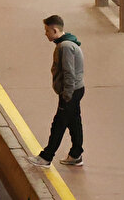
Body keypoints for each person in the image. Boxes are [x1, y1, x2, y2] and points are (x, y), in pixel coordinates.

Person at [29, 15, 85, 168]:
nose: (45, 33)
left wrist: (66, 95)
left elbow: (69, 72)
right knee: (74, 122)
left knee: (58, 124)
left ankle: (46, 157)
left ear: (55, 30)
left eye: (47, 30)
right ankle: (76, 154)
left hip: (70, 92)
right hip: (76, 89)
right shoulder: (68, 43)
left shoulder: (65, 47)